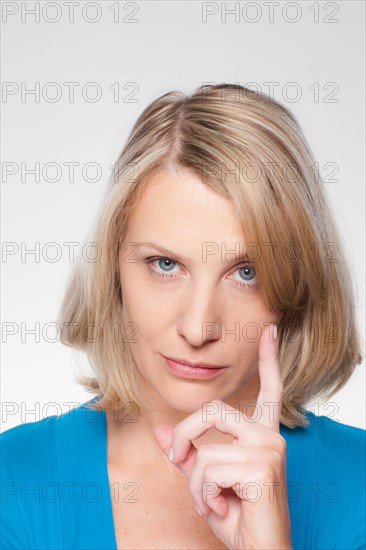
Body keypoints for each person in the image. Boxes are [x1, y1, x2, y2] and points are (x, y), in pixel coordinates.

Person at [1, 83, 365, 550]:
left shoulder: (359, 489)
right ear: (113, 269)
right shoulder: (14, 483)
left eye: (246, 273)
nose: (197, 328)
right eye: (165, 265)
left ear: (297, 284)